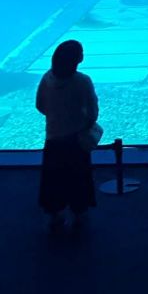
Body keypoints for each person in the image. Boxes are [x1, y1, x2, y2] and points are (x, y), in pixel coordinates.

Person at [34, 39, 99, 227]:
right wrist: (85, 122)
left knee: (54, 178)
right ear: (77, 59)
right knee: (78, 176)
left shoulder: (47, 78)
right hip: (76, 139)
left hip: (53, 138)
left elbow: (40, 105)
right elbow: (93, 110)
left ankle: (55, 213)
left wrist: (56, 116)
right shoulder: (82, 81)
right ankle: (79, 212)